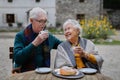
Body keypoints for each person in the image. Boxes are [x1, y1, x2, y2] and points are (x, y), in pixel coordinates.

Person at [13, 7, 62, 72]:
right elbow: (17, 58)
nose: (43, 24)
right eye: (40, 21)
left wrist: (72, 39)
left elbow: (62, 45)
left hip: (45, 73)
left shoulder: (48, 36)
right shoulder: (21, 36)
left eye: (45, 21)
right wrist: (35, 42)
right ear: (31, 20)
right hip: (26, 74)